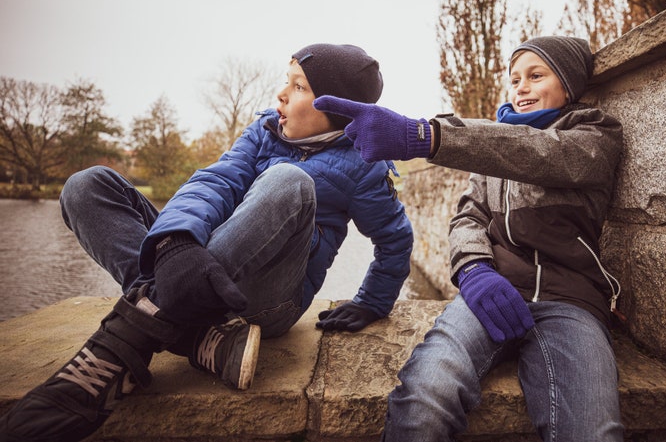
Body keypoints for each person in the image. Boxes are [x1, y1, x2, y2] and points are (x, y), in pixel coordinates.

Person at [0, 43, 413, 442]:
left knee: (288, 181)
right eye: (286, 81)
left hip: (266, 301)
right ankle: (195, 337)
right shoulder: (265, 129)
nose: (281, 94)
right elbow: (216, 182)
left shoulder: (364, 165)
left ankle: (121, 345)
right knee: (86, 185)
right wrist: (176, 241)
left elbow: (394, 238)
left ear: (337, 109)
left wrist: (372, 301)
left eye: (299, 87)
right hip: (199, 270)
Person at [314, 36, 625, 441]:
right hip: (489, 293)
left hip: (571, 303)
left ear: (568, 83)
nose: (521, 87)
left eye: (536, 75)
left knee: (591, 432)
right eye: (515, 79)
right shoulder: (492, 147)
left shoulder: (595, 135)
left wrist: (425, 136)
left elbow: (543, 154)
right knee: (423, 397)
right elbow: (467, 216)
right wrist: (476, 271)